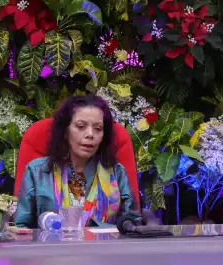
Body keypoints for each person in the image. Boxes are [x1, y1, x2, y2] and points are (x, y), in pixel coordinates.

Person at [15, 95, 138, 228]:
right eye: (81, 126)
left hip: (106, 247)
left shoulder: (116, 172)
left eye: (98, 128)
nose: (90, 134)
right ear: (65, 131)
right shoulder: (37, 171)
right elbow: (20, 227)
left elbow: (133, 224)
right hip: (50, 247)